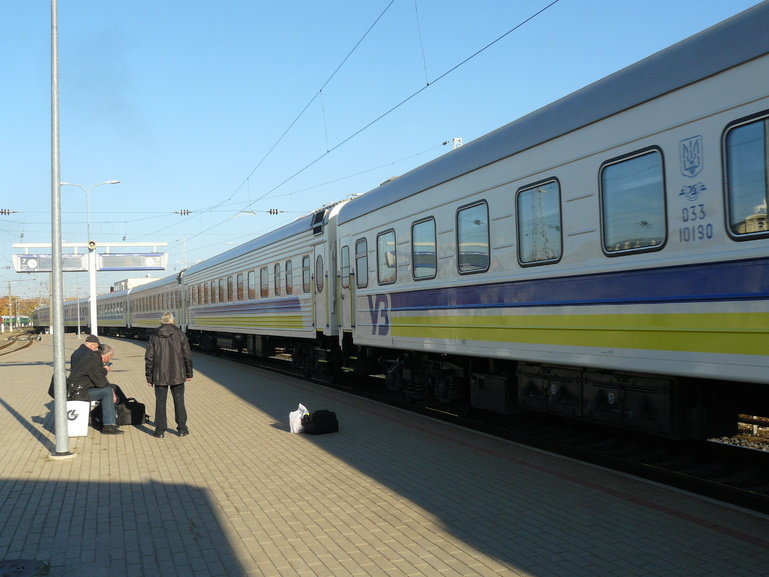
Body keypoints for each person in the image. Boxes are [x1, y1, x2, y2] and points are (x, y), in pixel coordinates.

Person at [145, 312, 193, 438]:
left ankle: (160, 431)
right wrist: (189, 373)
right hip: (178, 374)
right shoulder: (180, 334)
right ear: (172, 321)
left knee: (160, 402)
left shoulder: (154, 336)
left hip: (159, 375)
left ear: (161, 321)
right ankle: (182, 429)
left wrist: (149, 377)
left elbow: (149, 358)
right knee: (179, 400)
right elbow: (187, 355)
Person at [67, 343, 124, 435]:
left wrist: (104, 371)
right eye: (111, 357)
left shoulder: (93, 358)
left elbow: (97, 375)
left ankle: (106, 420)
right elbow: (100, 382)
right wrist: (112, 391)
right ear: (108, 356)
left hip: (78, 388)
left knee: (111, 388)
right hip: (77, 392)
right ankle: (108, 426)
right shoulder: (94, 361)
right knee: (107, 392)